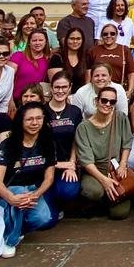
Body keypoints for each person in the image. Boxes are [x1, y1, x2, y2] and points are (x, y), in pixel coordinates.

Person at [0, 103, 56, 257]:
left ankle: (16, 229)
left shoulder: (47, 143)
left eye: (39, 118)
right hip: (10, 189)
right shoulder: (8, 144)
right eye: (29, 119)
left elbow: (49, 177)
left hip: (33, 189)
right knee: (20, 195)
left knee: (44, 217)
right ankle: (10, 240)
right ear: (21, 121)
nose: (35, 123)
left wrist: (36, 195)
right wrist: (11, 198)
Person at [74, 83, 134, 219]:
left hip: (115, 168)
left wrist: (123, 164)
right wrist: (103, 180)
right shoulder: (84, 127)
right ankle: (96, 200)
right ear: (96, 101)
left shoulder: (120, 118)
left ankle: (108, 200)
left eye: (112, 101)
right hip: (95, 171)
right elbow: (86, 160)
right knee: (93, 191)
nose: (108, 104)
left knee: (119, 214)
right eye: (104, 100)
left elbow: (127, 143)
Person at [42, 73, 84, 216]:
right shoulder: (41, 111)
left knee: (68, 191)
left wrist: (71, 164)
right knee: (47, 220)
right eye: (57, 87)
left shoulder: (75, 112)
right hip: (44, 166)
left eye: (64, 87)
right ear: (51, 89)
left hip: (66, 165)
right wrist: (58, 164)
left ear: (70, 88)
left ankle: (58, 202)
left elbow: (76, 140)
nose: (60, 91)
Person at [88, 21, 134, 94]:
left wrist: (130, 90)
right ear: (101, 36)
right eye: (105, 34)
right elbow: (89, 71)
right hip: (97, 89)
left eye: (112, 34)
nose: (108, 36)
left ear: (116, 35)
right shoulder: (93, 50)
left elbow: (131, 72)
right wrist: (88, 89)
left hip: (118, 90)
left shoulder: (124, 50)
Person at [9, 28, 52, 106]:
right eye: (34, 40)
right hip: (18, 100)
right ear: (29, 42)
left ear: (46, 42)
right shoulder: (18, 56)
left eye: (41, 40)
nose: (37, 43)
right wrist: (10, 101)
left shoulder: (49, 59)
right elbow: (7, 79)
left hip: (40, 101)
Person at [47, 28, 90, 92]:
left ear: (82, 40)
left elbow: (88, 83)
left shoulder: (86, 57)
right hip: (62, 95)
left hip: (81, 97)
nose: (75, 41)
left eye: (78, 39)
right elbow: (55, 84)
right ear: (66, 40)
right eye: (72, 38)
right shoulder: (57, 57)